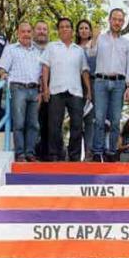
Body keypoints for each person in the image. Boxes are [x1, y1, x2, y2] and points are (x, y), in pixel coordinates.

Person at [41, 17, 91, 161]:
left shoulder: (79, 50)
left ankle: (74, 156)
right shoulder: (52, 47)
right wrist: (45, 88)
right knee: (54, 125)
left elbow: (84, 71)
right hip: (56, 90)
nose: (64, 29)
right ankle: (55, 155)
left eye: (67, 26)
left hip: (75, 91)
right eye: (61, 27)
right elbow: (45, 67)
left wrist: (89, 91)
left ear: (72, 30)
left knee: (77, 124)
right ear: (58, 30)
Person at [0, 21, 43, 161]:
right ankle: (20, 153)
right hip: (18, 89)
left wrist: (41, 90)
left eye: (29, 31)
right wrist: (3, 75)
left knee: (34, 124)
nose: (26, 34)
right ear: (18, 33)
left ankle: (30, 153)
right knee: (19, 123)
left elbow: (41, 73)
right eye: (23, 31)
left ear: (32, 33)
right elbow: (2, 68)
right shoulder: (11, 49)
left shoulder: (38, 51)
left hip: (34, 90)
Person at [92, 8, 129, 162]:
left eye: (120, 20)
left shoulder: (127, 44)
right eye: (115, 19)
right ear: (109, 20)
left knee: (116, 120)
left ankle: (111, 151)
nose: (117, 22)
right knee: (99, 118)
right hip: (101, 81)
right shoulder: (100, 39)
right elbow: (91, 53)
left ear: (123, 23)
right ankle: (97, 151)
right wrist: (94, 39)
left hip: (119, 83)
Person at [76, 19, 97, 160]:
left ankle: (89, 152)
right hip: (76, 84)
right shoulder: (73, 47)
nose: (84, 30)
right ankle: (75, 153)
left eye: (86, 28)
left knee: (90, 119)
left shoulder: (96, 46)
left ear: (90, 31)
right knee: (76, 120)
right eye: (81, 28)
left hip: (93, 83)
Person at [33, 20, 51, 160]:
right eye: (39, 29)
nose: (41, 32)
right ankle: (30, 153)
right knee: (31, 122)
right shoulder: (27, 48)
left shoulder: (54, 48)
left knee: (48, 124)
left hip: (50, 90)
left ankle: (46, 155)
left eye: (44, 29)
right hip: (31, 90)